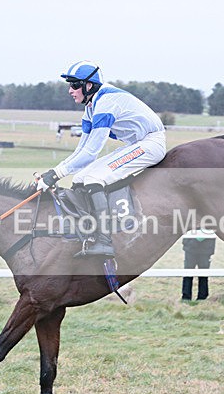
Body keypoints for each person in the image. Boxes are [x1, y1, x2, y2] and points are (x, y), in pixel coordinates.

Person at [37, 61, 167, 257]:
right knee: (80, 178)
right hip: (136, 144)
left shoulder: (107, 102)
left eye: (73, 85)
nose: (70, 91)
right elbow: (82, 149)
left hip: (151, 143)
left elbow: (92, 153)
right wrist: (55, 172)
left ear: (88, 86)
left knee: (94, 179)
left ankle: (105, 241)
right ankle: (89, 232)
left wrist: (56, 174)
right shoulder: (91, 107)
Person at [181, 230, 216, 301]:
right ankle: (186, 297)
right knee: (188, 273)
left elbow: (209, 229)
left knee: (202, 274)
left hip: (203, 249)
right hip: (191, 248)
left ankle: (201, 297)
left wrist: (193, 242)